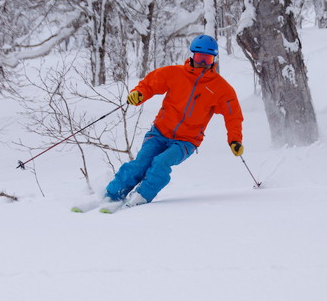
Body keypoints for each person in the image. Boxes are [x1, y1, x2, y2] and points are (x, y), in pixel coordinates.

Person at [102, 34, 244, 209]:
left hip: (187, 141)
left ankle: (142, 195)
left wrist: (235, 140)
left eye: (207, 59)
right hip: (159, 132)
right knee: (141, 163)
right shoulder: (174, 73)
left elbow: (233, 116)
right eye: (200, 57)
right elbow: (149, 84)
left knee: (161, 163)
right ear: (192, 55)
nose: (202, 63)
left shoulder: (221, 89)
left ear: (213, 60)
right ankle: (112, 194)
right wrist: (138, 94)